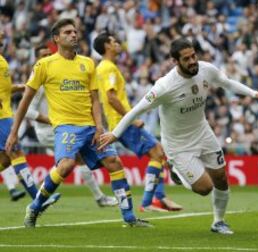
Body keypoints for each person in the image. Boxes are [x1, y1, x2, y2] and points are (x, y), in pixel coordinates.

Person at [98, 37, 258, 234]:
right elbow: (136, 111)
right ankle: (175, 169)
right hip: (178, 144)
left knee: (221, 179)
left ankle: (218, 222)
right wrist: (115, 134)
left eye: (193, 56)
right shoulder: (164, 86)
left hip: (203, 132)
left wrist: (253, 94)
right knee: (204, 188)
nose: (193, 61)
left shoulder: (206, 69)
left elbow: (226, 82)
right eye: (186, 59)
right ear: (175, 61)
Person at [5, 18, 151, 228]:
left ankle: (129, 218)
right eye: (67, 32)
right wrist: (13, 132)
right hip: (66, 126)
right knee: (66, 165)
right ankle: (35, 206)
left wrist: (99, 126)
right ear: (56, 39)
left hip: (91, 126)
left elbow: (94, 99)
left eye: (74, 31)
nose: (73, 35)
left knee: (115, 164)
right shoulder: (44, 65)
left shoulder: (88, 62)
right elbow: (25, 101)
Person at [93, 33, 182, 212]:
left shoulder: (104, 68)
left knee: (156, 153)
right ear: (107, 47)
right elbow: (111, 98)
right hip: (123, 122)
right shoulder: (108, 68)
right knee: (157, 152)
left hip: (118, 122)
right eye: (114, 41)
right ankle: (151, 201)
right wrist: (132, 117)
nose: (118, 43)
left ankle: (159, 198)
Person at [25, 43, 118, 207]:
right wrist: (53, 120)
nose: (47, 58)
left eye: (49, 54)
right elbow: (29, 112)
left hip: (65, 126)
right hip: (50, 130)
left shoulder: (58, 76)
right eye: (43, 56)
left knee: (70, 164)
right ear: (37, 59)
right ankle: (98, 198)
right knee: (72, 162)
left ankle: (41, 197)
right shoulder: (40, 84)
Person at [0, 30, 60, 207]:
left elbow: (4, 89)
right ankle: (38, 199)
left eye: (3, 34)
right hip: (2, 117)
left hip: (5, 113)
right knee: (16, 152)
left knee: (5, 159)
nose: (3, 35)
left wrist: (19, 87)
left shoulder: (2, 59)